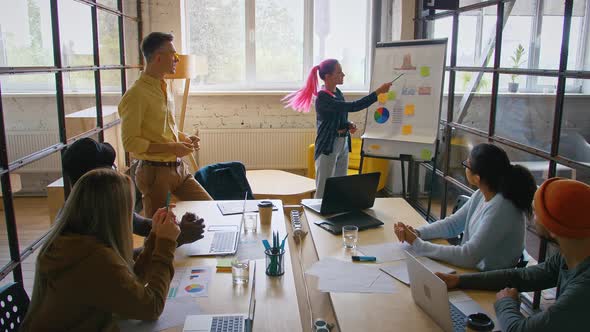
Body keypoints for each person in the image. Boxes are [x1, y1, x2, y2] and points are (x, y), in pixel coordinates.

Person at [20, 169, 179, 331]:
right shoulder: (91, 258)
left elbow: (128, 282)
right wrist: (166, 243)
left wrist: (155, 237)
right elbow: (151, 307)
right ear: (114, 215)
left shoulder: (71, 242)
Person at [436, 178, 590, 332]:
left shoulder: (583, 291)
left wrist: (506, 302)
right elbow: (522, 276)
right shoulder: (571, 255)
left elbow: (518, 330)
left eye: (536, 212)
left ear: (554, 230)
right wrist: (459, 280)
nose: (531, 217)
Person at [394, 143, 537, 271]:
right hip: (472, 271)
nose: (464, 168)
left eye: (467, 165)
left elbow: (468, 256)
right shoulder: (482, 194)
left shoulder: (502, 207)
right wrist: (418, 233)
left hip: (488, 282)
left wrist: (417, 244)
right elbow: (452, 225)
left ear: (477, 177)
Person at [119, 32, 212, 217]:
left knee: (210, 209)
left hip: (178, 169)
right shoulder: (136, 94)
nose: (177, 59)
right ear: (159, 57)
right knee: (156, 230)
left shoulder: (163, 87)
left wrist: (185, 139)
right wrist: (171, 147)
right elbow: (130, 143)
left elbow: (165, 129)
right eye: (173, 54)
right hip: (155, 173)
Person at [62, 137, 205, 247]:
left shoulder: (98, 204)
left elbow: (139, 224)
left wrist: (176, 227)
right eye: (111, 170)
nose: (117, 173)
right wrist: (176, 239)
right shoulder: (84, 227)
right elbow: (127, 264)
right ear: (94, 182)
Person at [283, 59, 392, 198]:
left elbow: (339, 115)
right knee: (323, 189)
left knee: (340, 187)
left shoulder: (338, 93)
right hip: (328, 146)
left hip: (343, 144)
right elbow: (353, 106)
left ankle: (336, 216)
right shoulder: (323, 97)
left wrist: (348, 124)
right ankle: (317, 217)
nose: (343, 75)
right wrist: (377, 93)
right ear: (328, 76)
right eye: (339, 72)